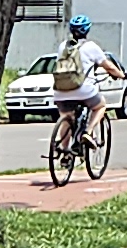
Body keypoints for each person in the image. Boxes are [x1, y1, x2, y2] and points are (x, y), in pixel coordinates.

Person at [52, 15, 122, 168]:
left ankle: (65, 151)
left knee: (67, 117)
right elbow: (108, 66)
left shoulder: (63, 46)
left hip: (61, 89)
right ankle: (88, 132)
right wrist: (121, 75)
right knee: (100, 106)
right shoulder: (91, 47)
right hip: (83, 89)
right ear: (87, 30)